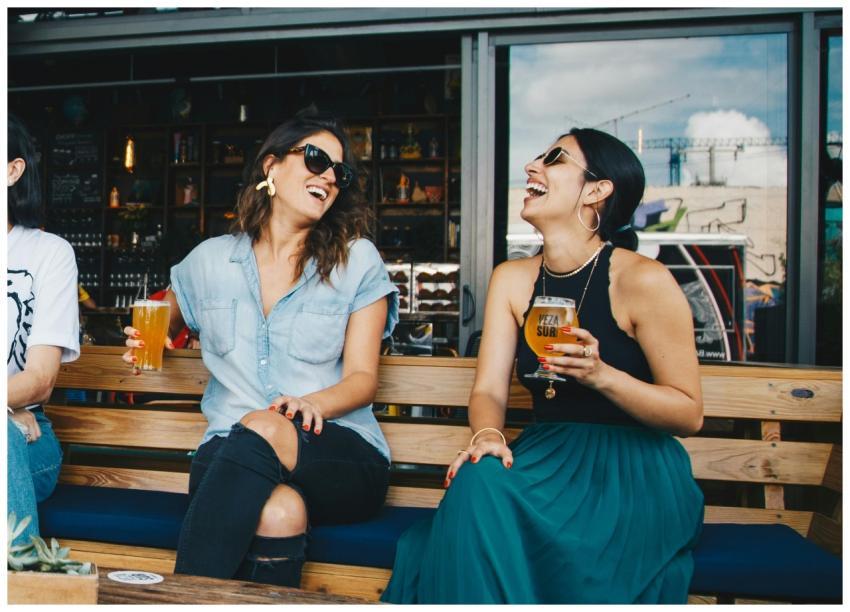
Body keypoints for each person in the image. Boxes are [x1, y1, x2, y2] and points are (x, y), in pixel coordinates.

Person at [382, 128, 704, 604]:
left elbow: (688, 414)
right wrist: (487, 436)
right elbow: (489, 390)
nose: (532, 166)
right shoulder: (512, 280)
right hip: (546, 455)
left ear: (596, 190)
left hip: (630, 473)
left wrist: (602, 375)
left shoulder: (643, 280)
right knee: (477, 480)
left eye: (554, 159)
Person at [122, 108, 399, 588]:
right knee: (278, 512)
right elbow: (164, 312)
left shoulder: (357, 261)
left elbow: (362, 380)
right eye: (316, 159)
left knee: (266, 425)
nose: (330, 177)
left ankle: (178, 598)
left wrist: (310, 403)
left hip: (335, 451)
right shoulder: (210, 261)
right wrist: (148, 333)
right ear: (271, 167)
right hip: (229, 453)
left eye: (340, 172)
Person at [7, 113, 80, 543]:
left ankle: (20, 587)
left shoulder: (49, 253)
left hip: (28, 441)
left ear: (12, 171)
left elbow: (39, 381)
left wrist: (12, 410)